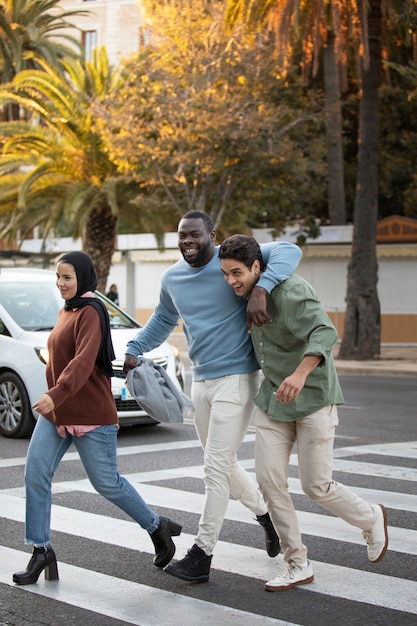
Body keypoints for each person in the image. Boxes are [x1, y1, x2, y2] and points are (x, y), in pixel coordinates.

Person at [123, 211, 302, 583]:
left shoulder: (229, 263)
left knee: (215, 468)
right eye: (182, 236)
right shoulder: (172, 277)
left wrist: (261, 288)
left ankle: (202, 553)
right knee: (219, 461)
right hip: (200, 380)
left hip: (238, 378)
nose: (188, 241)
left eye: (195, 235)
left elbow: (289, 250)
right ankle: (264, 515)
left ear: (212, 235)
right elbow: (162, 319)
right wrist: (135, 348)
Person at [218, 234, 389, 591]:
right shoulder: (246, 294)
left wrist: (300, 373)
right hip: (274, 401)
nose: (231, 281)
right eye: (225, 274)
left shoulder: (292, 291)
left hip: (312, 396)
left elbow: (326, 332)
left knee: (316, 485)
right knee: (269, 480)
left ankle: (370, 517)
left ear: (256, 267)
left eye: (236, 273)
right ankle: (297, 562)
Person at [13, 251, 181, 586]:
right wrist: (57, 399)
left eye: (67, 278)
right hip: (60, 414)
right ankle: (40, 550)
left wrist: (54, 394)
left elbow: (84, 361)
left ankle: (156, 527)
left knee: (106, 483)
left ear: (84, 278)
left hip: (90, 413)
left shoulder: (91, 310)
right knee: (36, 475)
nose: (61, 284)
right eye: (58, 277)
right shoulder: (67, 309)